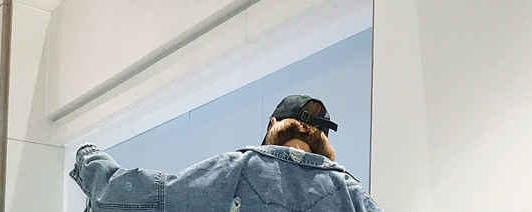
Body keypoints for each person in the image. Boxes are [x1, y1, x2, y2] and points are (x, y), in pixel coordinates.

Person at [70, 95, 386, 211]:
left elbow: (154, 196)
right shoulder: (350, 193)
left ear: (273, 124)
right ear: (321, 138)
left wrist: (89, 159)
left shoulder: (240, 169)